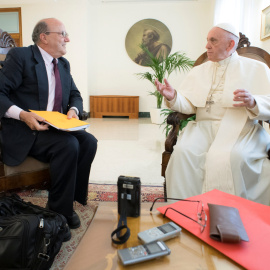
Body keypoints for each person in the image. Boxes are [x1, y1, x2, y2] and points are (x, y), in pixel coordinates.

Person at [155, 23, 270, 205]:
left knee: (235, 158)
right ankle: (185, 211)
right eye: (207, 40)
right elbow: (190, 105)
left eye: (213, 41)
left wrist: (253, 102)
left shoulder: (256, 68)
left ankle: (234, 216)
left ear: (230, 45)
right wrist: (174, 97)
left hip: (240, 129)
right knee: (183, 153)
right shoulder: (199, 71)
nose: (207, 46)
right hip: (202, 128)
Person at [0, 18, 98, 230]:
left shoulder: (62, 64)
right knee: (68, 145)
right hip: (25, 128)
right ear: (44, 37)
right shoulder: (21, 57)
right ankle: (59, 213)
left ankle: (70, 198)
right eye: (63, 34)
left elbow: (75, 94)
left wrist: (73, 110)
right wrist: (24, 115)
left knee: (89, 142)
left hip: (54, 127)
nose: (68, 39)